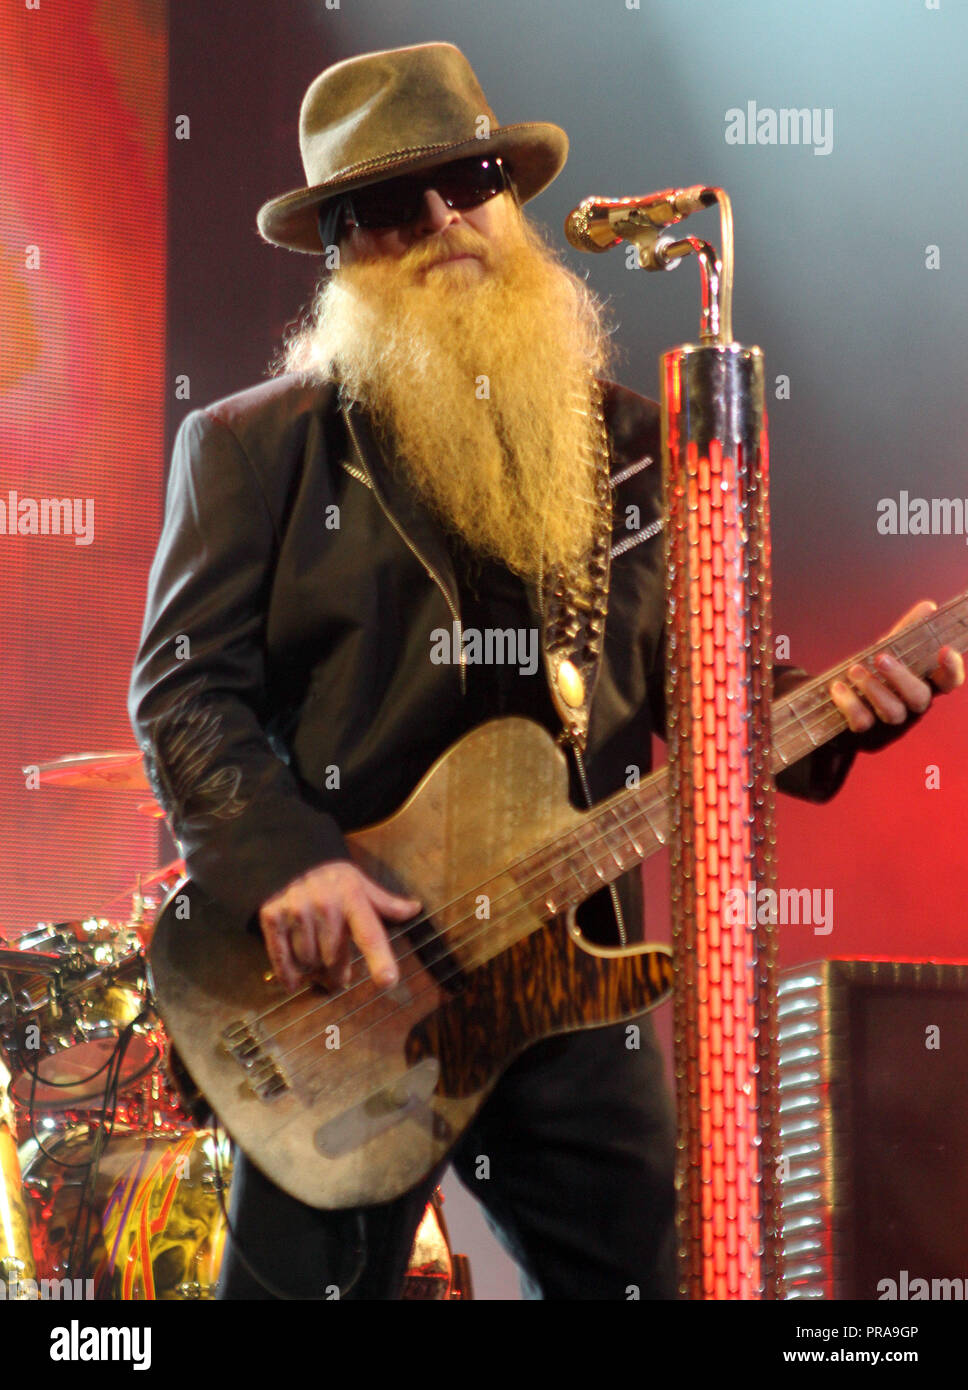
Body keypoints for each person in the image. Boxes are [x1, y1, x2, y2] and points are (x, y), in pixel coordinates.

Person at [129, 42, 964, 1300]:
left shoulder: (634, 446)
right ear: (338, 246)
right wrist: (288, 861)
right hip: (347, 997)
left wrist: (858, 704)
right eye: (391, 206)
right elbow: (182, 692)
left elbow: (707, 689)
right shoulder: (254, 450)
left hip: (574, 994)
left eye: (468, 182)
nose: (442, 222)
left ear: (509, 200)